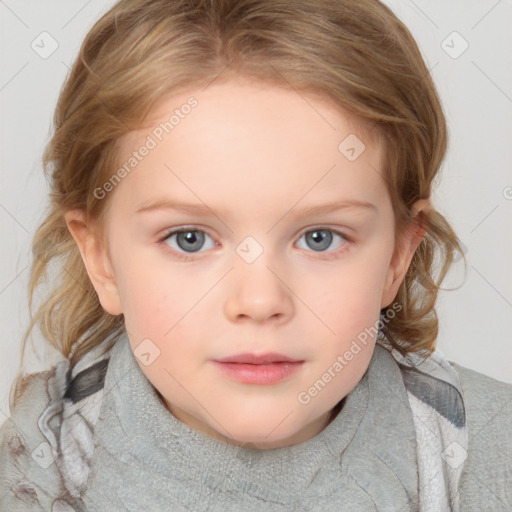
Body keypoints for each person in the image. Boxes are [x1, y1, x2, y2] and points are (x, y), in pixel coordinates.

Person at [1, 0, 510, 510]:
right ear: (100, 259)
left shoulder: (487, 454)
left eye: (320, 238)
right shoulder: (35, 471)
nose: (260, 300)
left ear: (398, 256)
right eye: (189, 239)